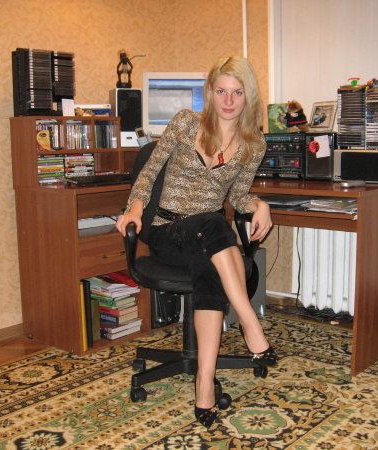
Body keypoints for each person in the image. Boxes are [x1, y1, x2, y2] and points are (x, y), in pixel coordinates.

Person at [115, 56, 277, 428]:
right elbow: (148, 174)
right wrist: (135, 209)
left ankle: (204, 385)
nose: (228, 101)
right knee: (213, 223)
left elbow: (239, 197)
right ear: (210, 92)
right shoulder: (186, 123)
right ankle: (250, 322)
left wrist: (260, 204)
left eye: (237, 92)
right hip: (167, 232)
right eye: (221, 91)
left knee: (211, 271)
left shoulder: (253, 144)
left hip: (208, 241)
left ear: (248, 96)